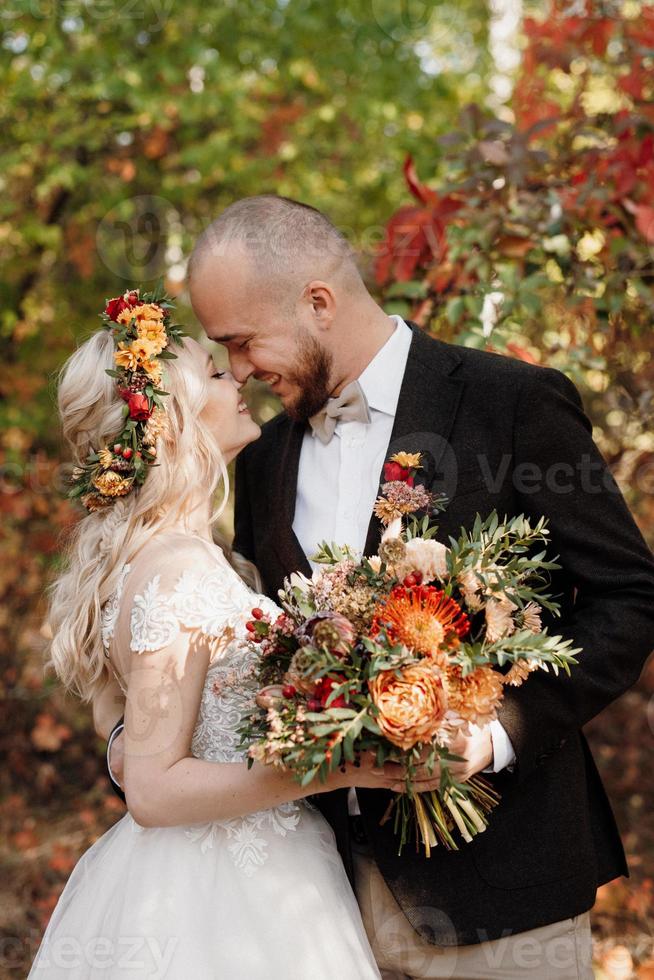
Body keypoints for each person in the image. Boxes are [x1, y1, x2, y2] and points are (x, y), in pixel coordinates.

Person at [182, 194, 654, 979]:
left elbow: (630, 597)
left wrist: (500, 730)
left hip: (506, 895)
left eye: (242, 343)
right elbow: (260, 649)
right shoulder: (262, 460)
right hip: (319, 904)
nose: (237, 372)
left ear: (319, 303)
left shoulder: (513, 404)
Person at [29, 316, 420, 978]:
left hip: (265, 869)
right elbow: (152, 790)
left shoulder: (178, 556)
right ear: (175, 423)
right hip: (217, 898)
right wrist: (343, 769)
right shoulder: (176, 568)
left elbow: (127, 733)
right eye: (213, 372)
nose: (236, 377)